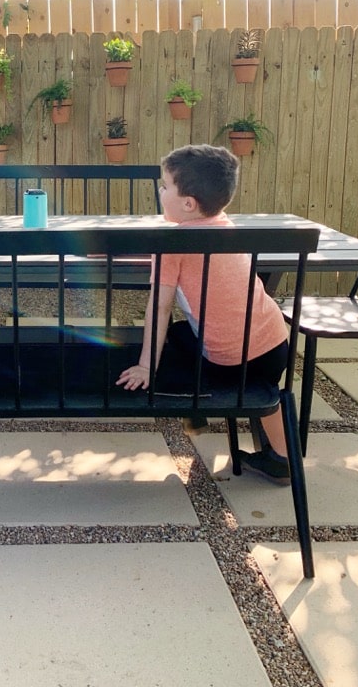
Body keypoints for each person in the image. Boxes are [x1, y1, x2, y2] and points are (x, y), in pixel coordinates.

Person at [115, 143, 291, 486]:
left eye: (164, 185)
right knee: (263, 383)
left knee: (178, 337)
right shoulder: (227, 227)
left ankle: (195, 406)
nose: (160, 190)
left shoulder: (172, 247)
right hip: (274, 345)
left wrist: (146, 365)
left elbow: (160, 306)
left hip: (226, 363)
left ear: (188, 203)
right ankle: (283, 459)